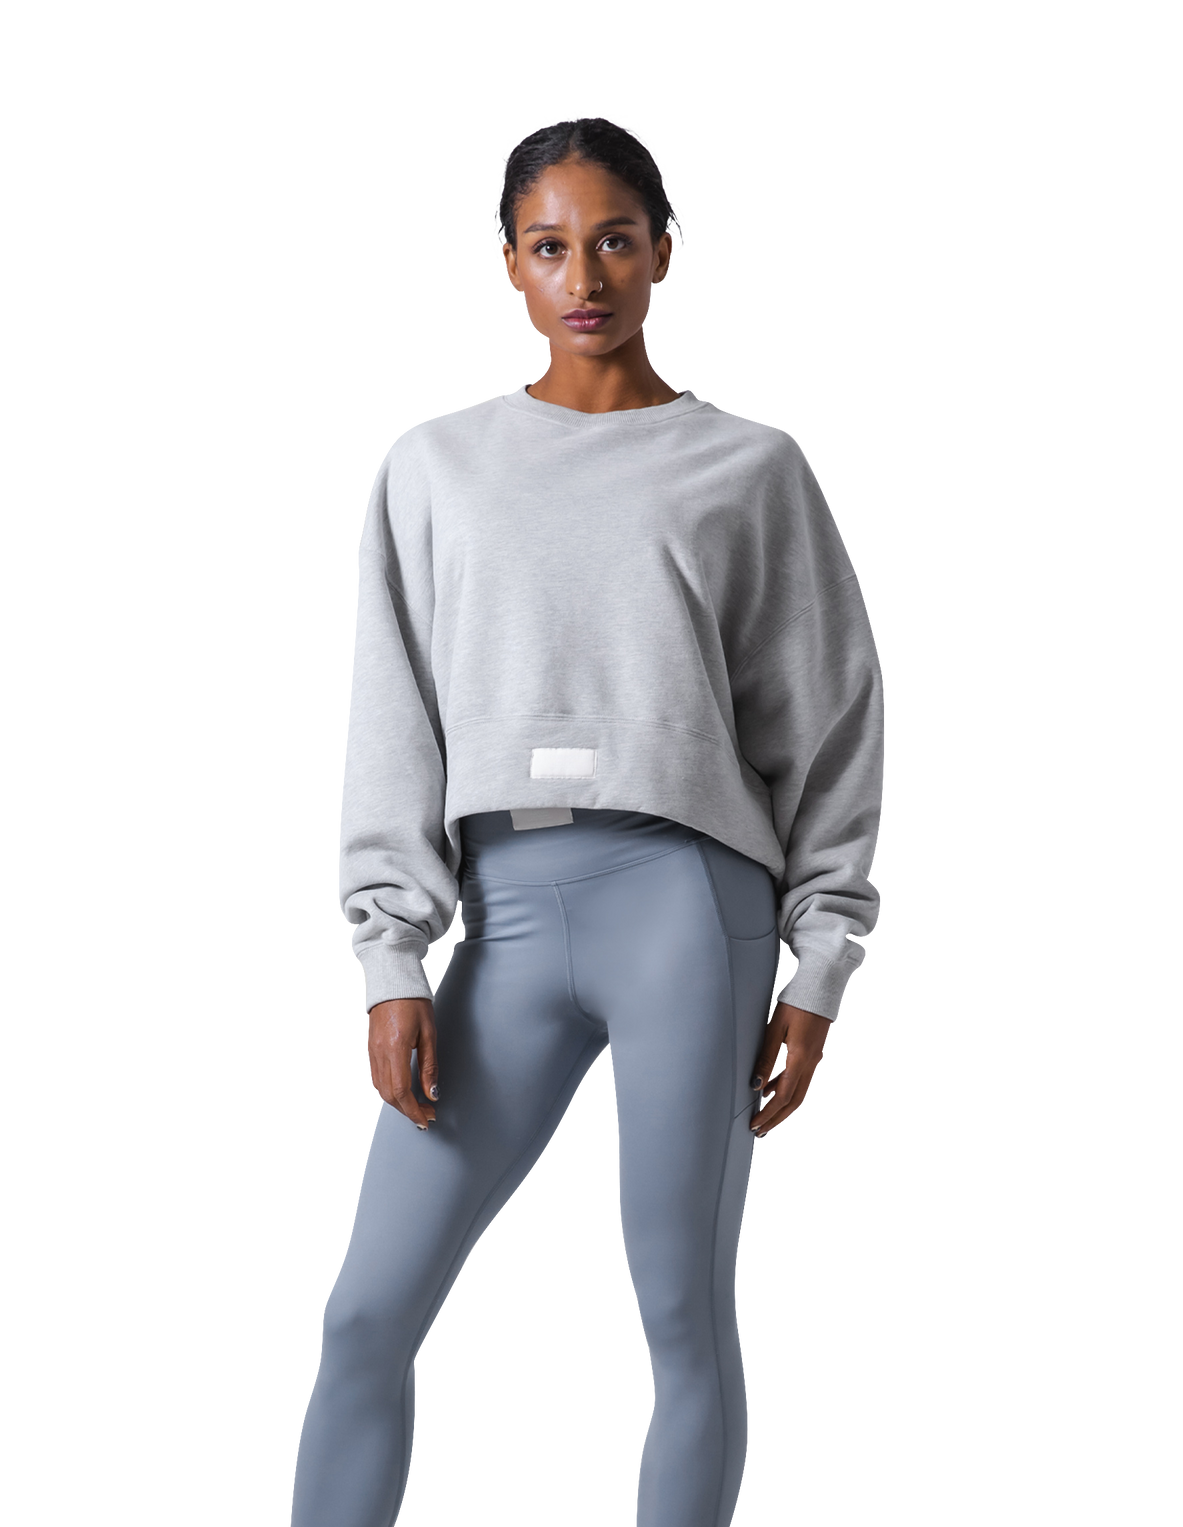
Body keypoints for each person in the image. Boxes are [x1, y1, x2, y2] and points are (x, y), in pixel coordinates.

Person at [290, 108, 886, 1527]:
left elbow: (831, 727)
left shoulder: (752, 465)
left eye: (615, 240)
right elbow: (391, 721)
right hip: (496, 914)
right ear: (506, 260)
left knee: (678, 1313)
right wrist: (390, 957)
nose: (585, 276)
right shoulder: (433, 466)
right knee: (363, 1314)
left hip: (688, 905)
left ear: (667, 249)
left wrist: (820, 967)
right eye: (549, 246)